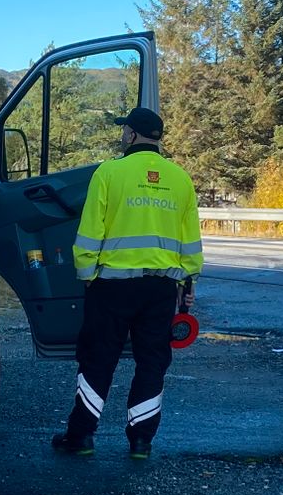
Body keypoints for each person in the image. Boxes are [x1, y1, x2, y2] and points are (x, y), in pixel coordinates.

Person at [51, 106, 202, 460]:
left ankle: (82, 437)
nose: (122, 135)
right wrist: (187, 284)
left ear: (132, 135)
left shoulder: (109, 173)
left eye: (125, 131)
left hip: (111, 287)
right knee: (152, 362)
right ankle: (141, 442)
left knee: (98, 358)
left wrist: (87, 275)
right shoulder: (180, 179)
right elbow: (191, 244)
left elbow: (90, 233)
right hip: (161, 289)